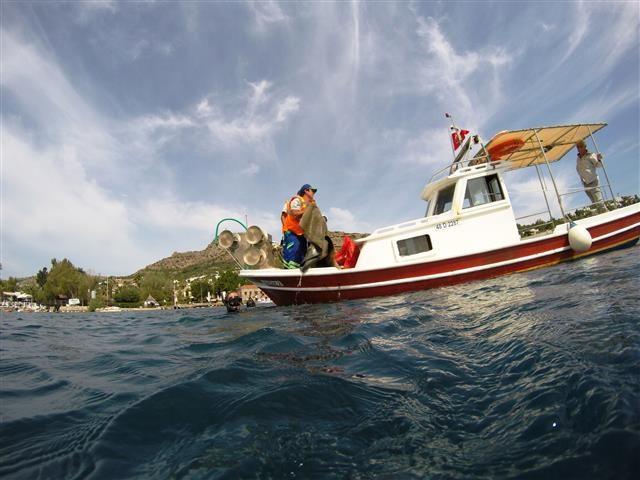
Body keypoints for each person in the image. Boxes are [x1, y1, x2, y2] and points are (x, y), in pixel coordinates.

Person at [281, 184, 317, 269]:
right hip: (292, 231)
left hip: (301, 233)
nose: (314, 193)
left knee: (302, 255)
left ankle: (300, 276)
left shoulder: (309, 203)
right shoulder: (297, 200)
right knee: (293, 253)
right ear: (306, 191)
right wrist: (286, 230)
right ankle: (290, 275)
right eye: (312, 191)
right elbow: (293, 214)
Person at [576, 140, 607, 212]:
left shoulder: (591, 155)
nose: (579, 148)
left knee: (599, 201)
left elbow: (599, 165)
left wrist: (599, 159)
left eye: (580, 146)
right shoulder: (578, 158)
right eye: (577, 147)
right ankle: (601, 215)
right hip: (585, 183)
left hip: (593, 181)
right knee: (594, 202)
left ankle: (606, 213)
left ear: (584, 147)